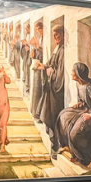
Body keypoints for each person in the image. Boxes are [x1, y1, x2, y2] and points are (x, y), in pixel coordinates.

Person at [55, 63, 91, 168]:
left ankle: (85, 157)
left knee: (74, 134)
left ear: (79, 74)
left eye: (73, 71)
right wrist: (79, 104)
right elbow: (82, 101)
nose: (71, 73)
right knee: (63, 116)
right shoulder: (79, 85)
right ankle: (70, 147)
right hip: (85, 110)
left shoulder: (90, 87)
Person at [33, 25, 65, 156]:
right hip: (51, 90)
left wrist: (50, 72)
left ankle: (56, 145)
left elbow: (59, 72)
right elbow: (51, 63)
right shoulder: (57, 48)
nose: (56, 38)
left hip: (57, 91)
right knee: (48, 115)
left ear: (63, 35)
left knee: (53, 117)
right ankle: (53, 144)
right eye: (54, 36)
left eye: (58, 35)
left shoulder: (63, 50)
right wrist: (44, 66)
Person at [29, 21, 45, 122]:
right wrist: (33, 51)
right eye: (36, 30)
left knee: (39, 91)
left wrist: (37, 48)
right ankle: (34, 111)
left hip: (41, 69)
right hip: (36, 68)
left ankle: (38, 113)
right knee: (35, 90)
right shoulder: (40, 38)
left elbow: (44, 54)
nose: (38, 32)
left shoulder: (44, 39)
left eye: (38, 29)